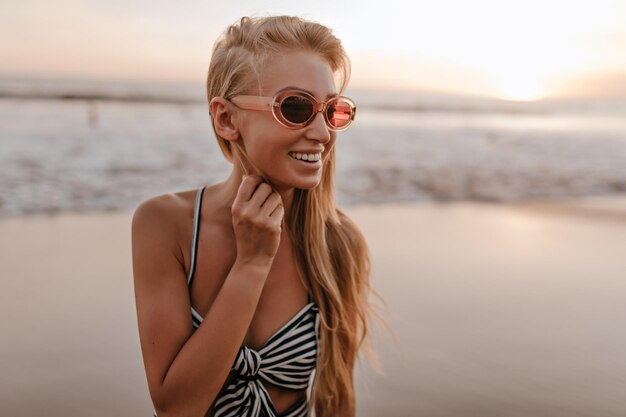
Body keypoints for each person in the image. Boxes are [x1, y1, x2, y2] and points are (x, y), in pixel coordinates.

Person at [132, 15, 381, 417]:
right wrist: (251, 264)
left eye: (332, 111)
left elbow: (337, 400)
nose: (321, 133)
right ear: (226, 118)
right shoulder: (165, 225)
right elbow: (176, 408)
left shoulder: (337, 241)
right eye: (297, 107)